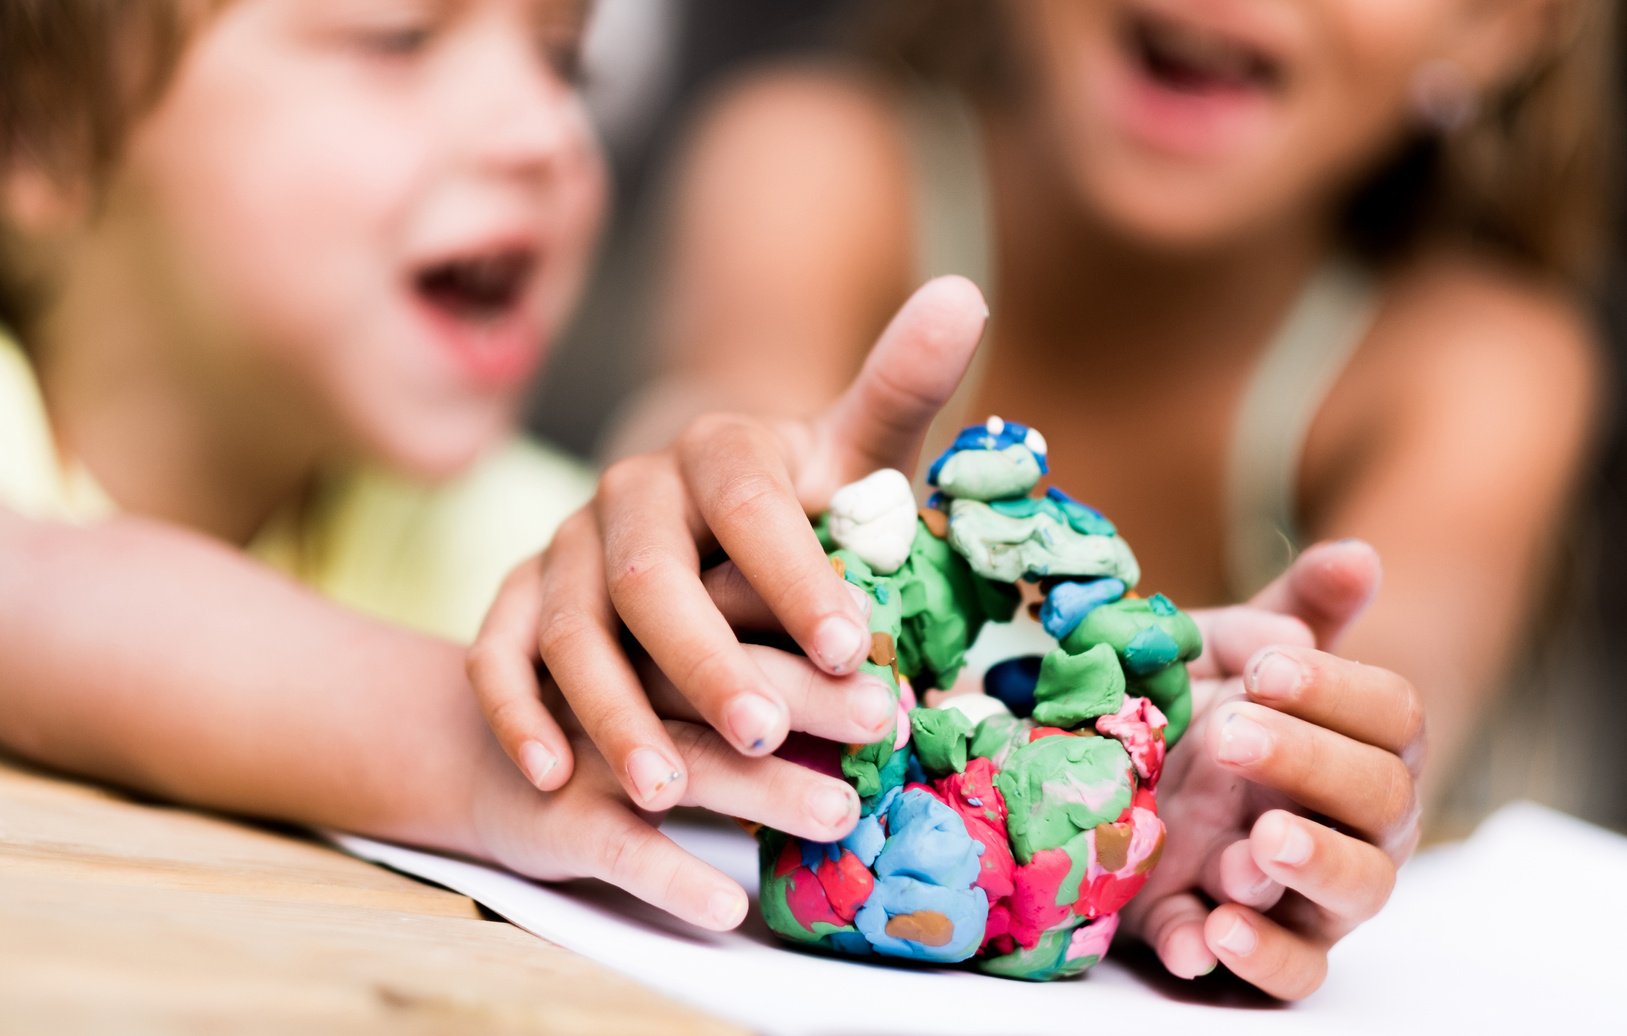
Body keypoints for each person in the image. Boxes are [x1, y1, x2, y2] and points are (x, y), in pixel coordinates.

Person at [466, 0, 1612, 1000]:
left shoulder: (1488, 362)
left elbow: (1414, 669)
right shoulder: (813, 160)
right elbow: (722, 406)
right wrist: (703, 515)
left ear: (1498, 21)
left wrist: (1306, 763)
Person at [0, 0, 919, 934]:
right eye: (397, 39)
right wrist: (484, 747)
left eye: (567, 65)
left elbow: (682, 680)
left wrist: (795, 612)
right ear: (40, 126)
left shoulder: (517, 559)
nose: (547, 132)